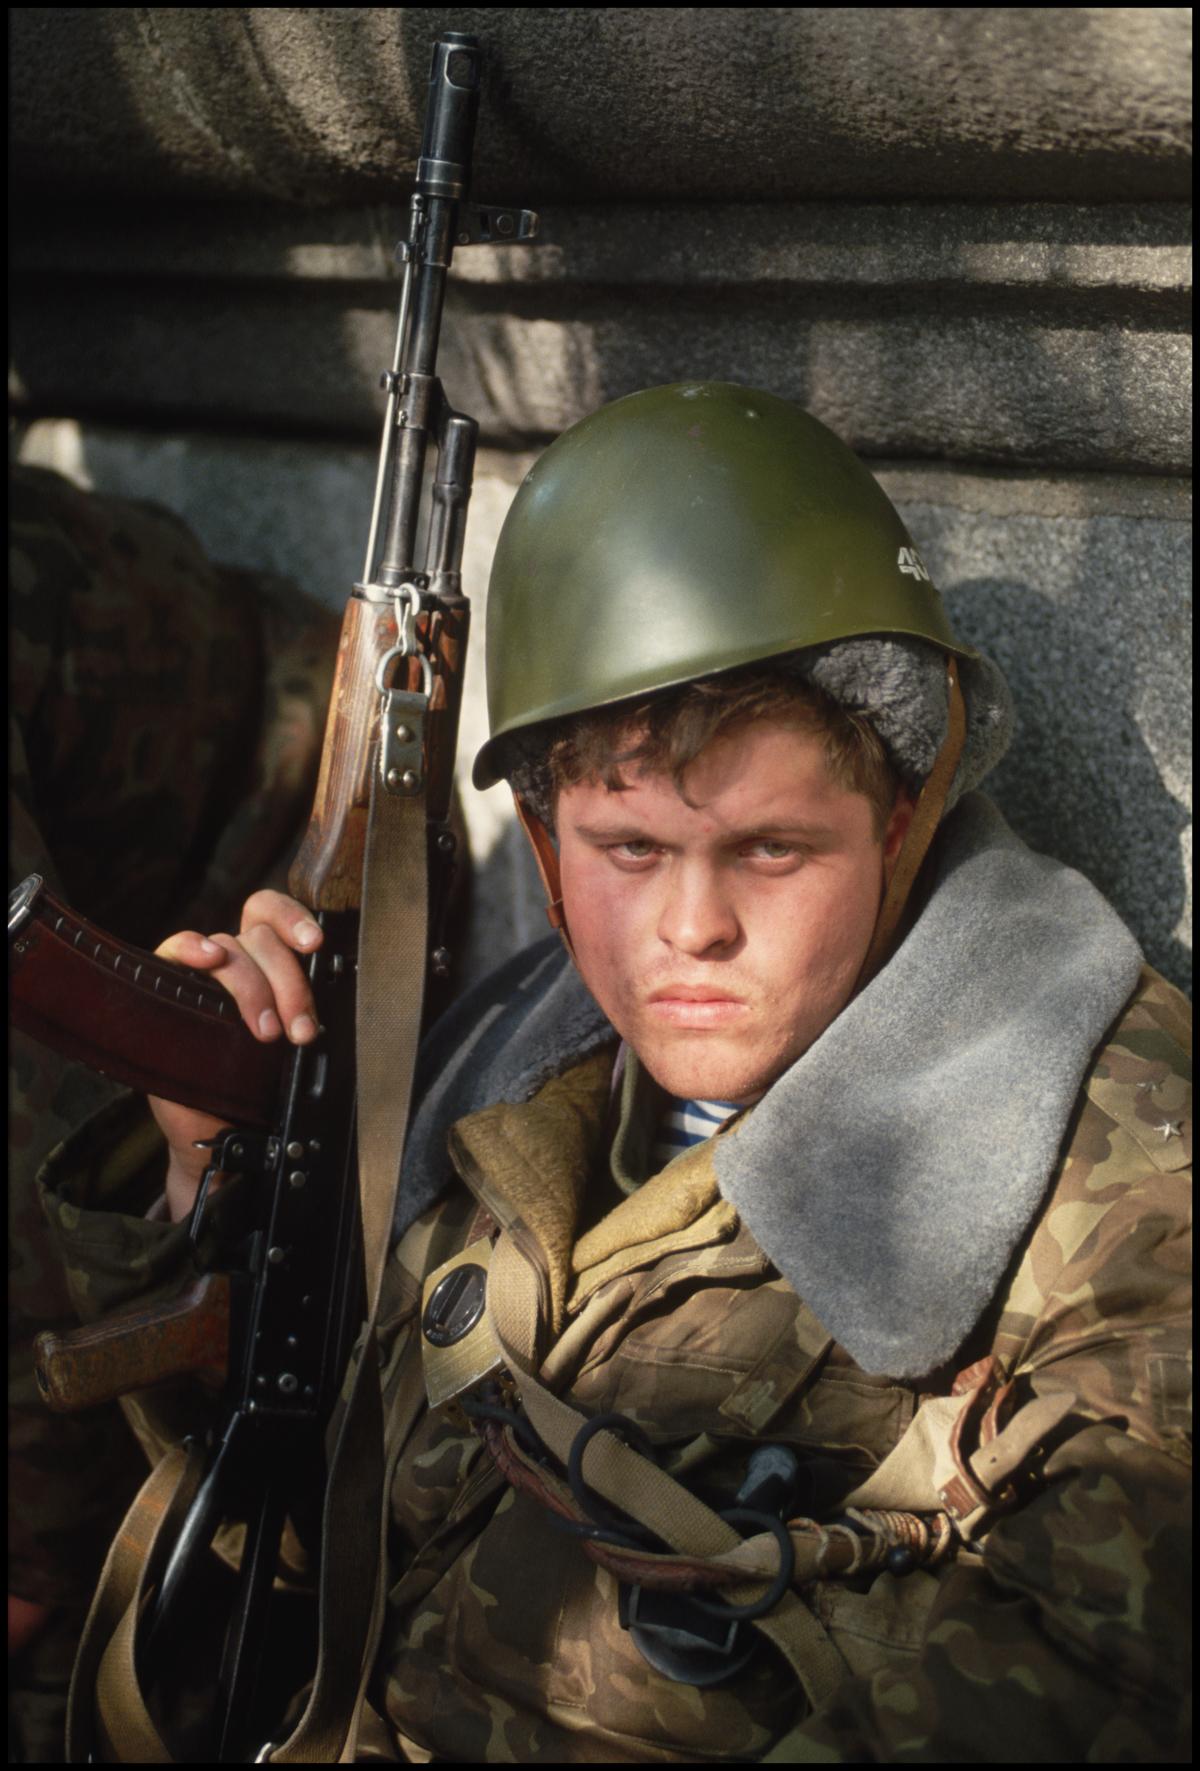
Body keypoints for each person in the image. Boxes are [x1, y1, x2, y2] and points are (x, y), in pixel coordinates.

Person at [37, 385, 1190, 1761]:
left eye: (771, 849)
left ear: (898, 827)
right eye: (630, 850)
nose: (692, 928)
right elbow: (304, 1542)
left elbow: (1110, 1684)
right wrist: (209, 1172)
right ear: (543, 849)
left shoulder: (1118, 1175)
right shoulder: (511, 1077)